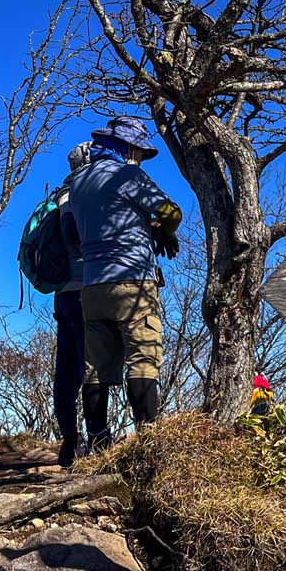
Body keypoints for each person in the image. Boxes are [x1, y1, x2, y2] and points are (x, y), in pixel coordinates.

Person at [68, 116, 181, 449]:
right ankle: (149, 443)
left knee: (96, 367)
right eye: (140, 152)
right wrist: (160, 229)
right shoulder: (129, 175)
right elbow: (172, 213)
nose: (140, 158)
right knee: (144, 356)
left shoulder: (77, 182)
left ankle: (98, 443)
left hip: (92, 286)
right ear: (129, 147)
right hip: (132, 281)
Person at [52, 142, 93, 467]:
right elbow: (71, 231)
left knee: (66, 370)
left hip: (63, 294)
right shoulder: (78, 193)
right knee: (92, 365)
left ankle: (69, 441)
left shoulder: (61, 192)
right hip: (86, 289)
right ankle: (94, 441)